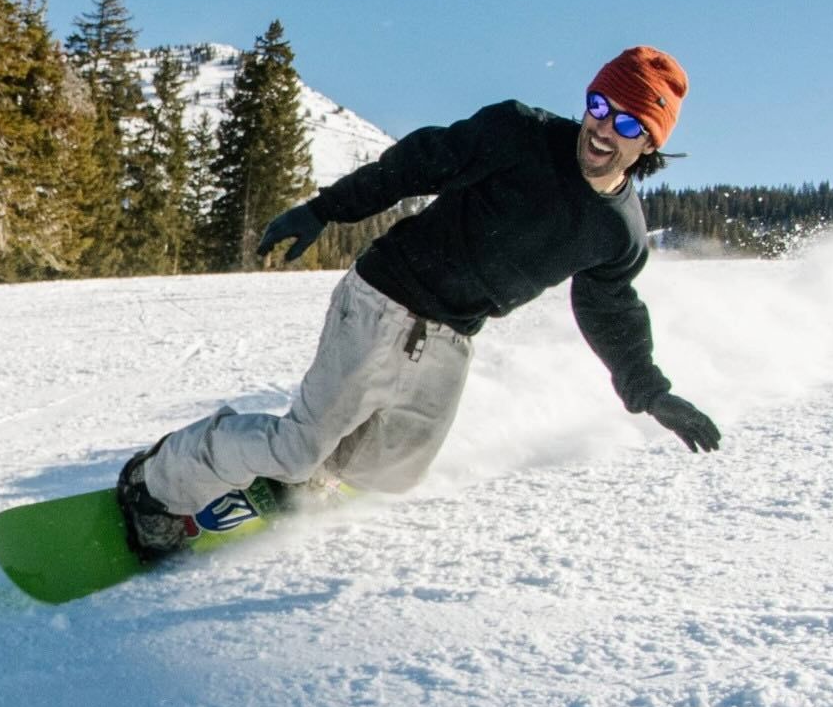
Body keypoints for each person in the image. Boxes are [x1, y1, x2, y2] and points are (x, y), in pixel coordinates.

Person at [116, 45, 722, 560]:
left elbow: (609, 308)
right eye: (598, 106)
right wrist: (326, 208)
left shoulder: (618, 233)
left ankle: (303, 482)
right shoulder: (519, 133)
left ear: (650, 144)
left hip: (452, 335)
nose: (602, 129)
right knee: (298, 447)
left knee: (395, 469)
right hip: (384, 296)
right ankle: (155, 482)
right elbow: (414, 165)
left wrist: (649, 391)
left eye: (627, 124)